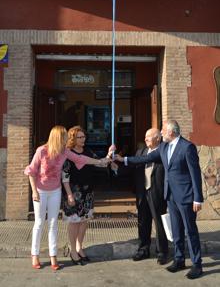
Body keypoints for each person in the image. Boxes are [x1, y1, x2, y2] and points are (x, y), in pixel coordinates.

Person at [114, 120, 203, 280]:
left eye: (163, 131)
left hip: (185, 196)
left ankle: (197, 264)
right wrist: (124, 159)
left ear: (171, 132)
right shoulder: (163, 147)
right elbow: (143, 159)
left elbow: (195, 174)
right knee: (176, 231)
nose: (161, 133)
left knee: (190, 231)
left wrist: (198, 198)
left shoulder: (187, 147)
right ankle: (179, 259)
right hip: (170, 196)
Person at [24, 125, 107, 271]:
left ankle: (53, 255)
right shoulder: (41, 151)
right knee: (39, 223)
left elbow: (81, 158)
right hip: (40, 191)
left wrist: (100, 161)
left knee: (53, 223)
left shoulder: (64, 152)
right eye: (64, 137)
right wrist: (34, 192)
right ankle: (35, 254)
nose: (67, 140)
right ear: (57, 137)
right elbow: (31, 171)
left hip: (55, 191)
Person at [62, 126, 112, 265]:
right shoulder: (68, 154)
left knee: (84, 221)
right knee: (74, 222)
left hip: (88, 193)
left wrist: (109, 154)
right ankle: (73, 250)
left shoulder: (88, 151)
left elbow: (101, 164)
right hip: (73, 193)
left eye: (83, 136)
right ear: (73, 138)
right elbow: (65, 177)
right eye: (79, 137)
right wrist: (69, 195)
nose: (83, 139)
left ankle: (79, 247)